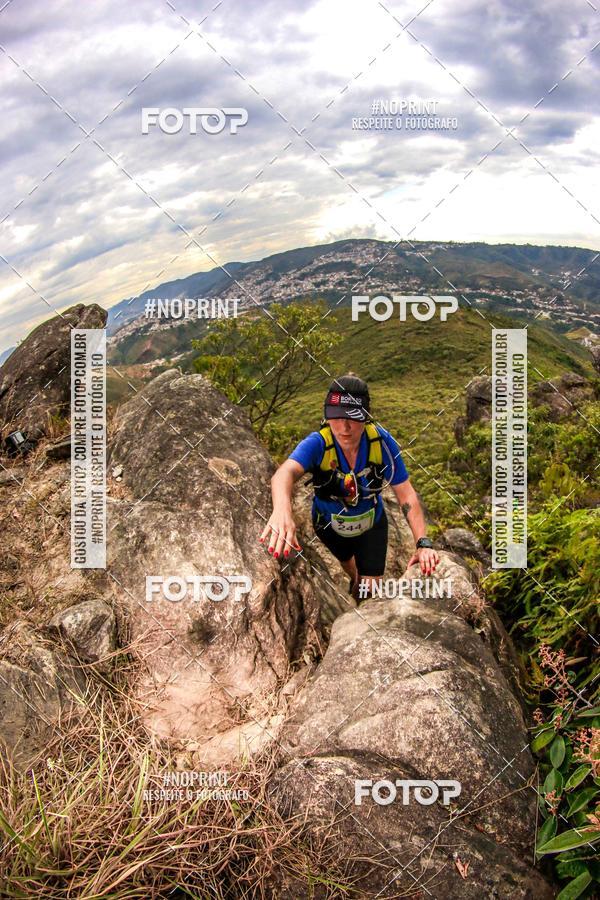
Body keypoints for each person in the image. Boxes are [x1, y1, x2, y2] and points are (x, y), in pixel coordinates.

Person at [259, 374, 439, 601]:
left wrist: (422, 543)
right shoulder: (318, 443)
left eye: (353, 417)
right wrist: (282, 511)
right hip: (329, 525)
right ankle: (354, 577)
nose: (344, 427)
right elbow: (284, 473)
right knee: (349, 565)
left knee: (370, 588)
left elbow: (406, 494)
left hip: (371, 524)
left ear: (366, 417)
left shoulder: (381, 443)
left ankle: (360, 613)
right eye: (336, 417)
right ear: (327, 416)